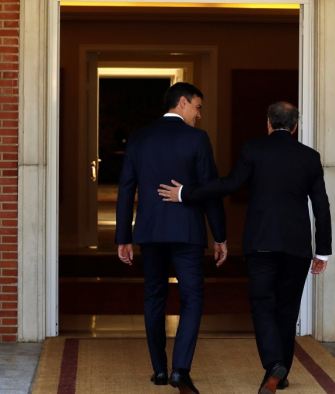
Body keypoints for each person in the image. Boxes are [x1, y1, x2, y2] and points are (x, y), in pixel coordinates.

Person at [157, 101, 331, 394]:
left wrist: (186, 193)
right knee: (287, 311)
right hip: (297, 247)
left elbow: (229, 184)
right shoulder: (310, 157)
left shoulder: (253, 149)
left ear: (267, 123)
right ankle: (281, 373)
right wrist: (322, 250)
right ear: (295, 126)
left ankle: (274, 363)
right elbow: (321, 207)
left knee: (263, 306)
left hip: (261, 243)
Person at [116, 82, 227, 394]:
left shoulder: (139, 138)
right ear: (182, 102)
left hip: (149, 232)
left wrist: (123, 236)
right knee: (192, 298)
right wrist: (220, 235)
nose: (199, 115)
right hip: (187, 232)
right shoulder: (197, 139)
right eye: (197, 107)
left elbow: (126, 189)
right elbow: (210, 190)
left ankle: (159, 371)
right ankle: (180, 369)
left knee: (154, 297)